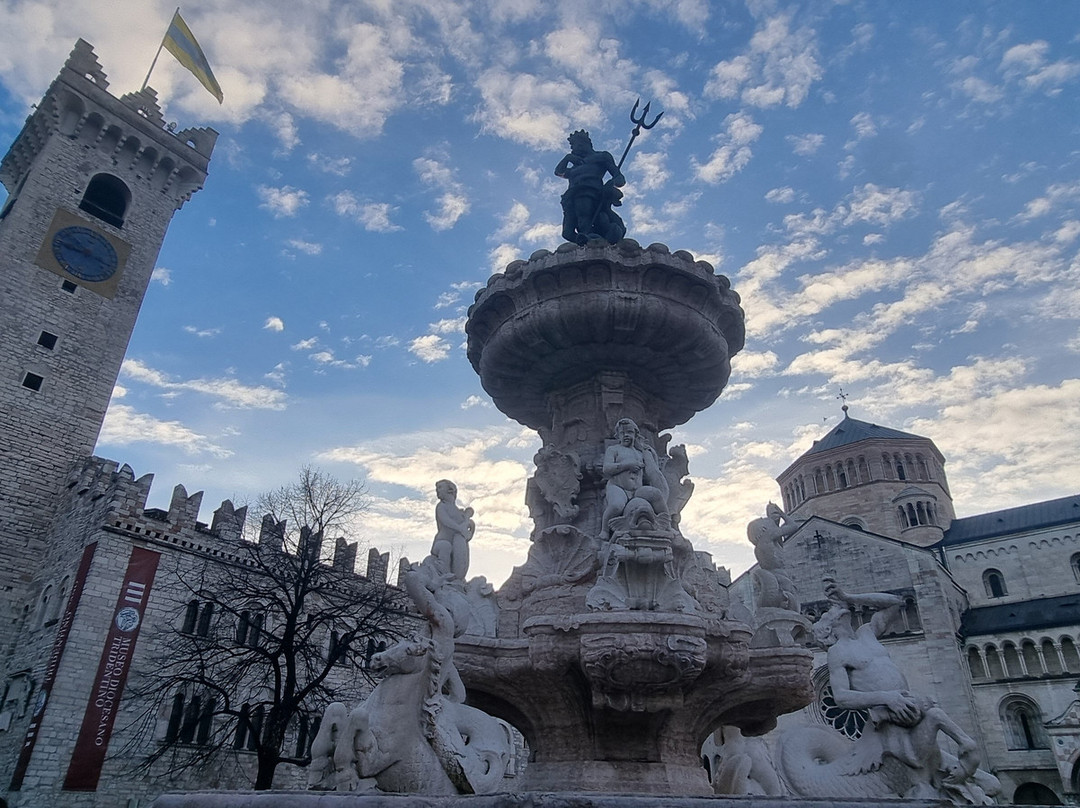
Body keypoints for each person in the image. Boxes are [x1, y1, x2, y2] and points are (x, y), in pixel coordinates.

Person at [814, 577, 980, 793]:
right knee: (937, 716)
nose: (833, 609)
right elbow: (842, 697)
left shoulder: (867, 633)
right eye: (827, 614)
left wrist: (849, 596)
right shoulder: (838, 652)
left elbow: (895, 602)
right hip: (894, 719)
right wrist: (887, 697)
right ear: (827, 629)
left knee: (988, 784)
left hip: (911, 707)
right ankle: (964, 753)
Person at [599, 418, 668, 539]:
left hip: (637, 490)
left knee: (656, 494)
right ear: (618, 436)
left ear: (636, 434)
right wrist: (627, 465)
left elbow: (651, 472)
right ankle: (604, 530)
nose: (626, 435)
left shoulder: (640, 453)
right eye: (622, 433)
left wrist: (647, 452)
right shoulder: (614, 449)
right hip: (618, 487)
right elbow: (606, 469)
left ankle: (667, 524)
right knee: (616, 506)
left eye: (629, 432)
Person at [554, 130, 626, 245]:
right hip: (571, 197)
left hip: (590, 192)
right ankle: (587, 239)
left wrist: (611, 183)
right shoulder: (575, 167)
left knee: (585, 215)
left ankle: (589, 238)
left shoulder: (601, 157)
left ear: (586, 143)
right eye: (572, 147)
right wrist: (567, 158)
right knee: (567, 233)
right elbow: (558, 172)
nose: (574, 149)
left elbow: (620, 178)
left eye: (576, 145)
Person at [430, 480, 474, 581]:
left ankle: (455, 577)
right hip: (440, 543)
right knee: (445, 546)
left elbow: (468, 527)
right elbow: (445, 520)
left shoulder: (459, 512)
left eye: (440, 487)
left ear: (450, 490)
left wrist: (468, 524)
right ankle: (444, 575)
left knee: (456, 558)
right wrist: (460, 529)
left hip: (455, 545)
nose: (437, 490)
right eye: (436, 488)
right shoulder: (441, 506)